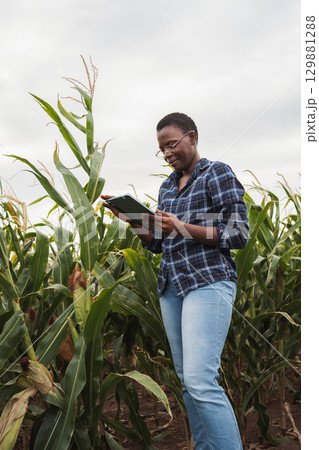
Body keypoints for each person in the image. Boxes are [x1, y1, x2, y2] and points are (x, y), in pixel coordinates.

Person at [101, 112, 249, 450]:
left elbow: (238, 234)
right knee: (187, 382)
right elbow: (157, 244)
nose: (168, 154)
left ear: (192, 137)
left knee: (201, 381)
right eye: (162, 150)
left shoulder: (216, 173)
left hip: (208, 282)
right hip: (172, 288)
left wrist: (182, 226)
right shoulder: (167, 187)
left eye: (172, 145)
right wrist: (133, 219)